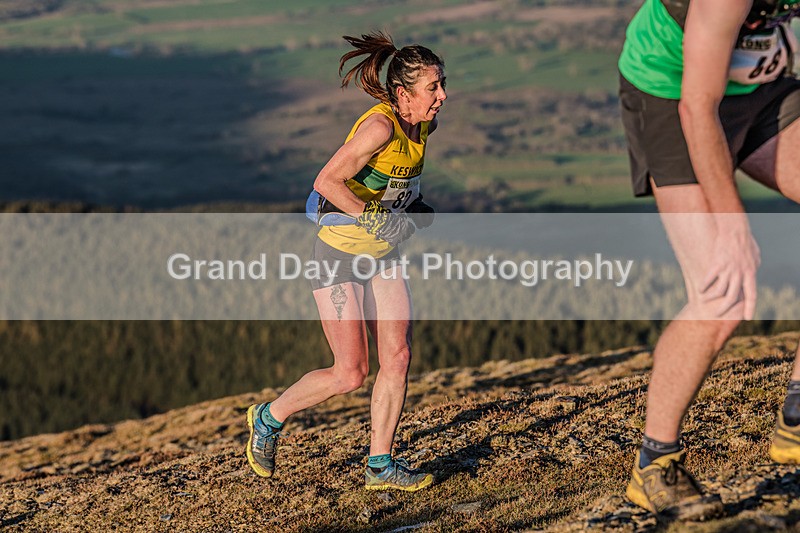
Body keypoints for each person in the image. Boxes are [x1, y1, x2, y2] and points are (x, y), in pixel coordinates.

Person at [618, 0, 800, 520]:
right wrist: (732, 227)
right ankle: (655, 462)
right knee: (722, 293)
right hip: (673, 92)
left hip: (761, 87)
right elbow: (698, 106)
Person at [245, 31, 446, 492]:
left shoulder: (423, 127)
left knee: (397, 356)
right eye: (433, 87)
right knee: (349, 372)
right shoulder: (380, 127)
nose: (442, 96)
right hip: (337, 254)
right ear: (403, 94)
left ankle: (380, 464)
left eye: (442, 84)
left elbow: (391, 182)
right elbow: (327, 181)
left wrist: (411, 207)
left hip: (382, 256)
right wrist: (375, 217)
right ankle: (268, 417)